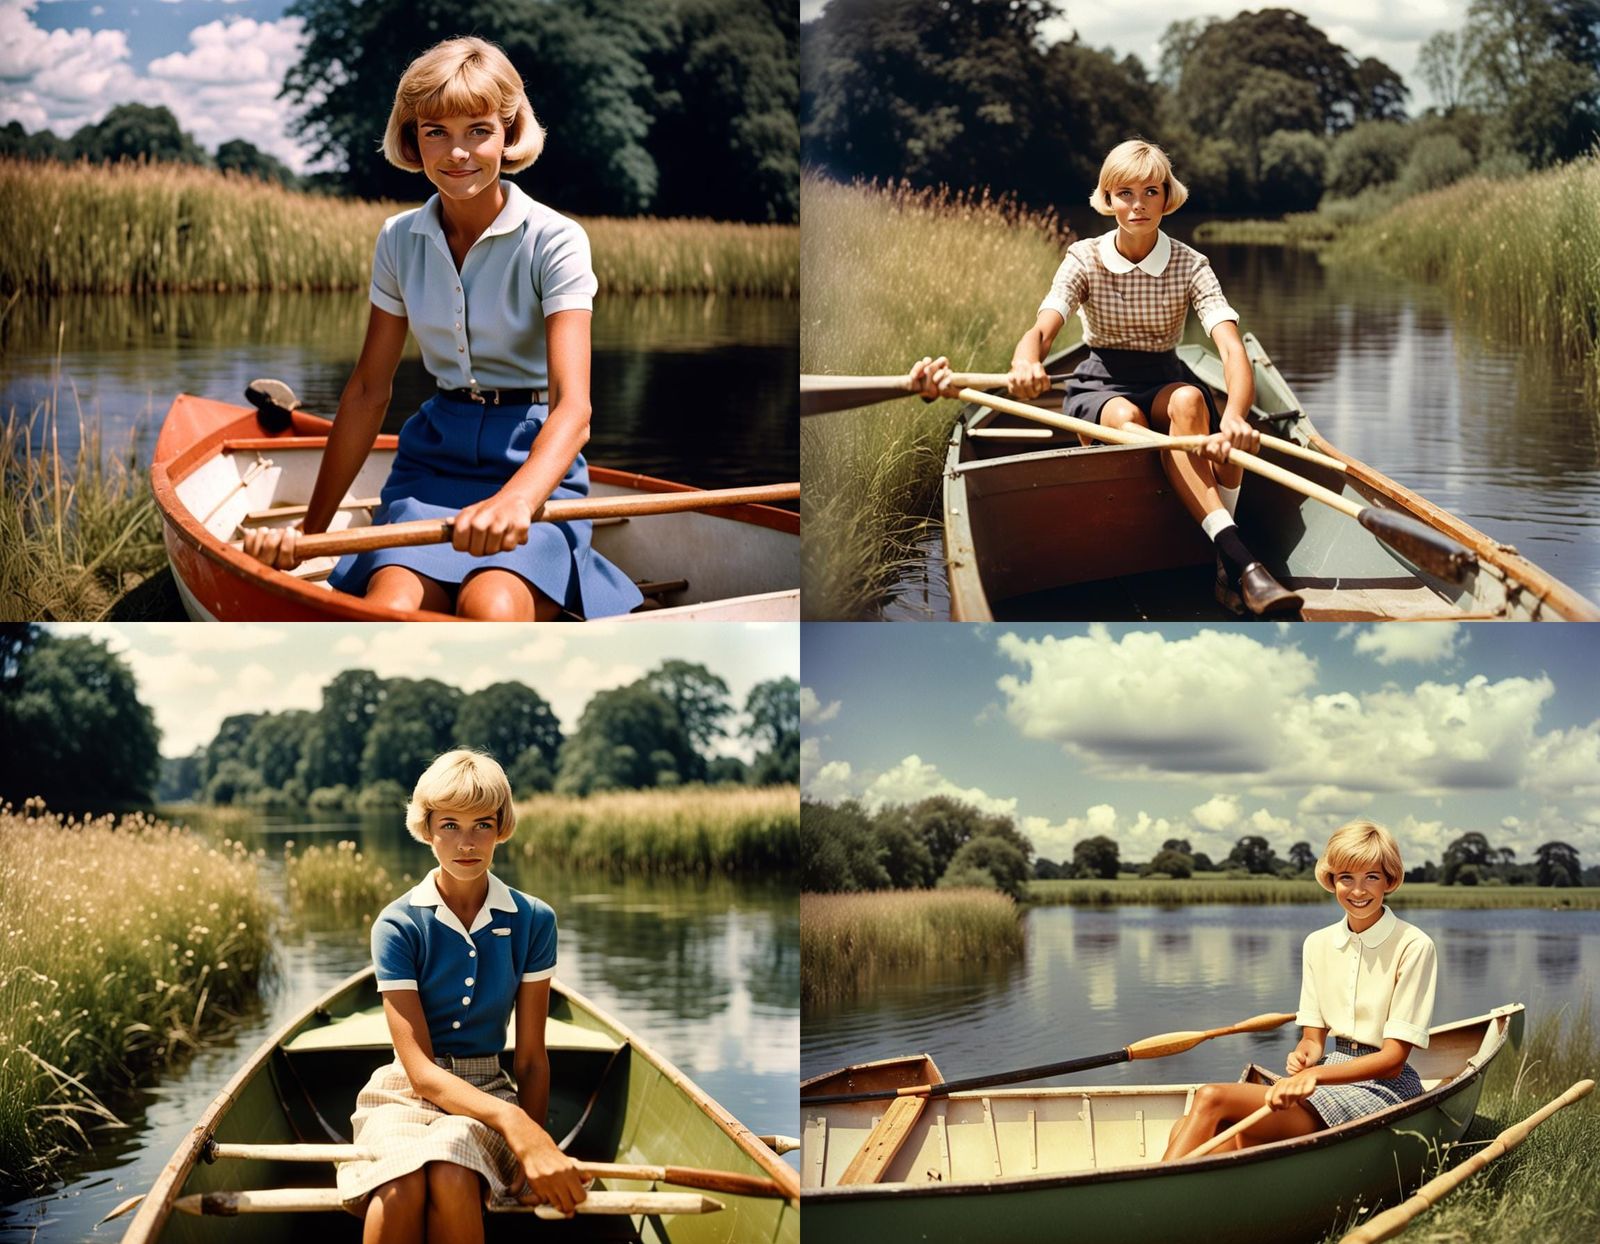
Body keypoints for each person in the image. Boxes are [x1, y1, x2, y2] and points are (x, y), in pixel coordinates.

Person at [243, 36, 642, 621]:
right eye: (436, 132)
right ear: (413, 139)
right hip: (432, 463)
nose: (458, 153)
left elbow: (573, 409)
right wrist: (308, 536)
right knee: (394, 606)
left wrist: (516, 501)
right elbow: (365, 393)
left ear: (508, 134)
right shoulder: (398, 239)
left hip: (532, 465)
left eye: (478, 130)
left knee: (491, 609)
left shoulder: (557, 239)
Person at [910, 138, 1301, 616]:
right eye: (1125, 193)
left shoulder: (1191, 265)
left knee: (1193, 406)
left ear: (1167, 197)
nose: (1138, 205)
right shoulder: (1084, 257)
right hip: (1100, 382)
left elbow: (1229, 346)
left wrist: (1237, 417)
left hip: (1164, 375)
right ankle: (1239, 561)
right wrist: (1025, 364)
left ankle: (1223, 556)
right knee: (1123, 415)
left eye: (1151, 192)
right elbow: (1042, 329)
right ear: (1109, 198)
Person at [335, 749, 588, 1239]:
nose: (466, 843)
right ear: (427, 829)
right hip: (404, 1091)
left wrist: (530, 1149)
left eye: (482, 825)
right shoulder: (398, 923)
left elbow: (532, 1059)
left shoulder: (534, 920)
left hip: (489, 1085)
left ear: (502, 828)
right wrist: (514, 1125)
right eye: (449, 825)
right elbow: (421, 1073)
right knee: (399, 1182)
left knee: (452, 1170)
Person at [1161, 819, 1437, 1159]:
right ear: (1332, 880)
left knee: (1211, 1097)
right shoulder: (1317, 944)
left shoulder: (1414, 945)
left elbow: (1393, 1060)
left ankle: (1144, 1199)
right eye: (1346, 878)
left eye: (1372, 877)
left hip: (1383, 1087)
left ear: (1389, 880)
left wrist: (1317, 1074)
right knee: (1194, 1128)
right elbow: (1312, 1041)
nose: (1358, 890)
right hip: (1327, 1073)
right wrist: (1303, 1057)